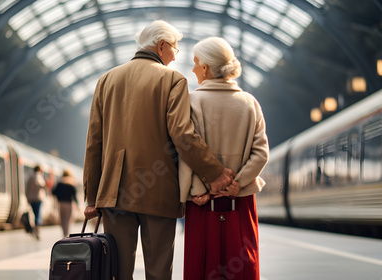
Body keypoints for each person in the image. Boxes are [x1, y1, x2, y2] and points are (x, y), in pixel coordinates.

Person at [83, 20, 236, 280]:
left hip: (113, 195)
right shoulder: (172, 79)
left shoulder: (106, 80)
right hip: (158, 193)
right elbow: (183, 135)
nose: (176, 57)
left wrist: (91, 197)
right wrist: (215, 173)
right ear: (162, 45)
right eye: (175, 49)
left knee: (117, 273)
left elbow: (94, 143)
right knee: (158, 272)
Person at [179, 37, 269, 280]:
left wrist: (203, 190)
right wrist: (236, 184)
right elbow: (261, 153)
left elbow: (187, 152)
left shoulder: (191, 102)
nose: (193, 68)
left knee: (201, 265)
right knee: (243, 263)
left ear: (206, 68)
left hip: (201, 203)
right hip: (240, 201)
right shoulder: (249, 103)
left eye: (196, 62)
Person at [52, 170, 78, 237]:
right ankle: (67, 233)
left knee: (62, 220)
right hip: (69, 204)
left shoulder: (60, 183)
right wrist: (77, 205)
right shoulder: (71, 183)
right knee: (67, 220)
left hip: (60, 204)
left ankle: (64, 234)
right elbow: (74, 196)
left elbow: (54, 192)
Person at [25, 165, 46, 240]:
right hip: (38, 198)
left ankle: (34, 229)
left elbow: (27, 188)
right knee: (38, 215)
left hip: (31, 198)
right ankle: (37, 231)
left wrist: (27, 197)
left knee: (34, 214)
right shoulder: (38, 176)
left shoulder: (30, 177)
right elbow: (40, 185)